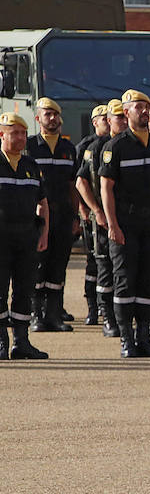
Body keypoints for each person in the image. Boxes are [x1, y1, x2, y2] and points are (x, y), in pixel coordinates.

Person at [100, 90, 150, 359]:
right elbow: (106, 189)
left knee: (147, 281)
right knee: (125, 280)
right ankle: (127, 340)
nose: (145, 112)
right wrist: (112, 224)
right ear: (126, 112)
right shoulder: (116, 147)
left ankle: (144, 337)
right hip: (125, 223)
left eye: (147, 108)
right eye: (138, 108)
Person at [0, 112, 50, 360]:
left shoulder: (31, 166)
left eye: (23, 133)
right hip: (1, 239)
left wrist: (44, 233)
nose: (21, 138)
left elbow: (43, 202)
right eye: (14, 133)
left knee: (24, 289)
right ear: (2, 135)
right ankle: (1, 341)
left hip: (26, 238)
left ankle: (21, 342)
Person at [26, 98, 78, 333]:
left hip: (63, 215)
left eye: (56, 114)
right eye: (48, 114)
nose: (53, 118)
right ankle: (36, 315)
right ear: (38, 119)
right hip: (36, 216)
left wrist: (76, 215)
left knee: (58, 265)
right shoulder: (29, 147)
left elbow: (73, 185)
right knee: (38, 266)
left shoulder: (68, 149)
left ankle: (54, 315)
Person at [73, 104, 109, 326]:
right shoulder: (86, 147)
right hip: (91, 216)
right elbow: (77, 182)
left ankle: (108, 307)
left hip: (110, 214)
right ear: (95, 122)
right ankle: (92, 308)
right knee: (93, 263)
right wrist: (83, 211)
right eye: (103, 119)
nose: (108, 121)